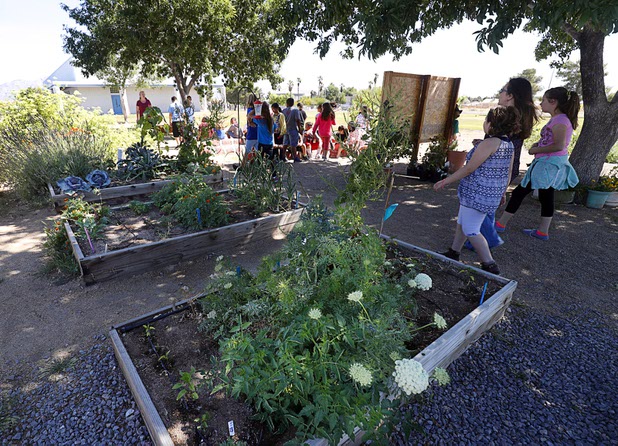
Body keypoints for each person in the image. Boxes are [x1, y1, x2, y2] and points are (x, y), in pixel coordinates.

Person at [434, 107, 522, 275]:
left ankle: (489, 264)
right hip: (489, 195)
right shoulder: (508, 145)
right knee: (462, 221)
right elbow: (508, 172)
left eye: (486, 120)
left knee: (471, 229)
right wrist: (503, 192)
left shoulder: (489, 144)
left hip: (476, 194)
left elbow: (469, 169)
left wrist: (445, 181)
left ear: (492, 124)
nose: (484, 123)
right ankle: (454, 252)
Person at [495, 87, 580, 241]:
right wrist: (539, 144)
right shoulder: (558, 119)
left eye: (544, 100)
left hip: (548, 164)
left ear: (553, 102)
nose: (541, 104)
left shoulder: (560, 120)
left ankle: (501, 224)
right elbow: (552, 141)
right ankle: (542, 231)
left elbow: (559, 146)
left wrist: (536, 149)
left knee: (521, 192)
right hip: (546, 163)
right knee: (545, 196)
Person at [465, 77, 539, 251]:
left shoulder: (506, 115)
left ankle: (486, 239)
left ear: (510, 96)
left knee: (481, 206)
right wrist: (483, 144)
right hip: (504, 168)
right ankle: (475, 237)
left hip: (497, 169)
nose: (500, 93)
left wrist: (486, 146)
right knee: (486, 206)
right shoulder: (517, 115)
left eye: (503, 90)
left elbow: (499, 144)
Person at [282, 98, 304, 163]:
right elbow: (298, 120)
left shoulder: (284, 110)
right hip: (293, 128)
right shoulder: (295, 110)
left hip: (286, 129)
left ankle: (283, 156)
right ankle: (295, 157)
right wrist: (300, 128)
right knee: (293, 144)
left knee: (285, 143)